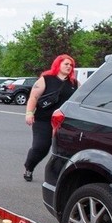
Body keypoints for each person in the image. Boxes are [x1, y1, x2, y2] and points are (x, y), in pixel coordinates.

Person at [23, 54, 78, 182]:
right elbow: (33, 97)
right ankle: (29, 167)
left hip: (63, 123)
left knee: (63, 152)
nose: (69, 67)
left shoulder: (75, 83)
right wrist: (29, 113)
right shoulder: (46, 79)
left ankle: (58, 178)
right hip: (43, 120)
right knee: (41, 147)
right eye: (66, 64)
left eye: (71, 65)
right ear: (58, 65)